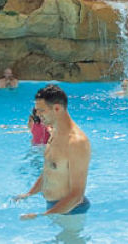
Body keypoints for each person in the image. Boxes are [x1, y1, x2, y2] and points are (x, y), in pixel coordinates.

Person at [15, 84, 91, 220]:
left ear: (57, 108)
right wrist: (29, 194)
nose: (37, 115)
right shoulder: (54, 132)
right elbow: (49, 170)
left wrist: (40, 216)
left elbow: (77, 195)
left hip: (72, 212)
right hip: (54, 208)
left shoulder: (76, 143)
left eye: (41, 111)